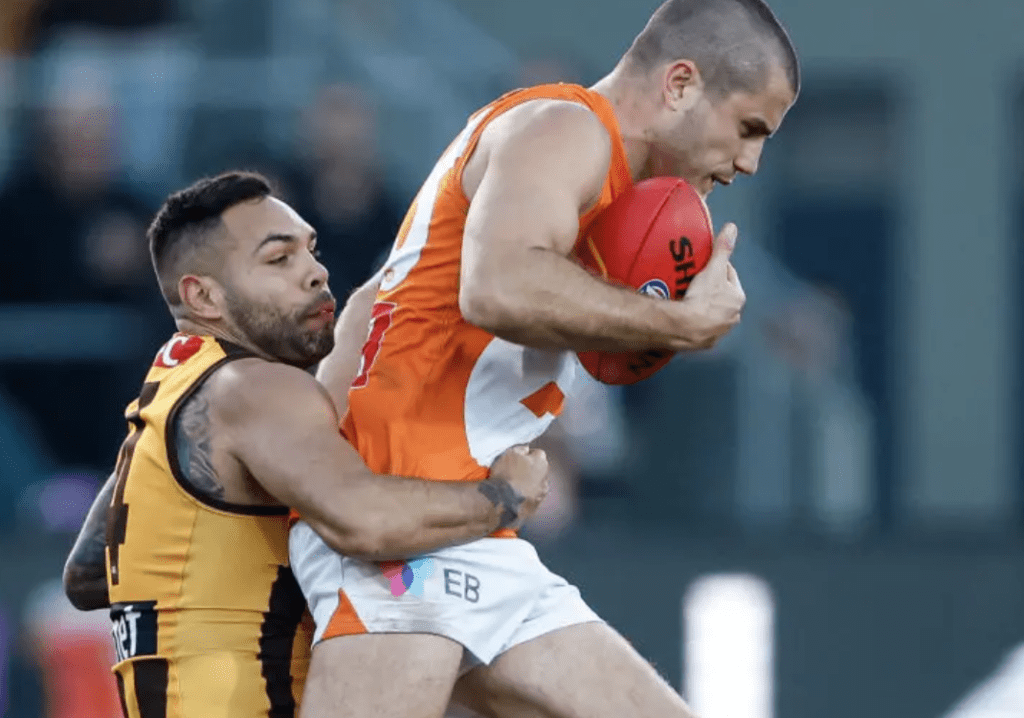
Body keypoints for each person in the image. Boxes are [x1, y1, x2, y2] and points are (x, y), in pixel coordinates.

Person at [294, 1, 800, 717]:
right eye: (749, 129)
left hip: (466, 524)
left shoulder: (591, 171)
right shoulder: (567, 128)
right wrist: (677, 323)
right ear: (681, 85)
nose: (750, 161)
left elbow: (371, 305)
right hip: (402, 512)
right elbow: (497, 284)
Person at [61, 171, 550, 718]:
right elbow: (364, 521)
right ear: (202, 295)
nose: (316, 273)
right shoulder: (255, 387)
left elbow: (85, 575)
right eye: (279, 260)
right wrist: (504, 496)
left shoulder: (168, 392)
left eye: (311, 251)